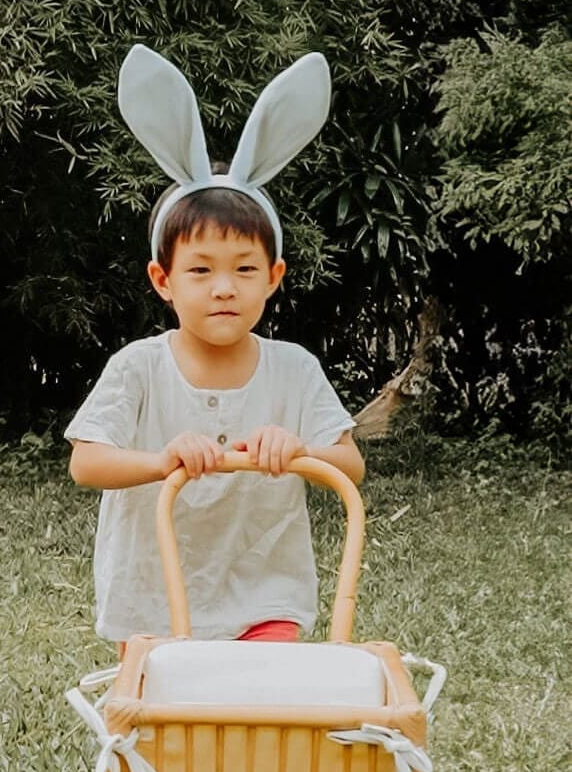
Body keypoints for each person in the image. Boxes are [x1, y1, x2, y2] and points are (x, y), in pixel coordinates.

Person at [67, 45, 364, 648]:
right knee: (164, 732)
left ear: (274, 277)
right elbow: (86, 462)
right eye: (200, 271)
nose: (223, 289)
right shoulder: (140, 367)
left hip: (264, 595)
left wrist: (299, 449)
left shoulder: (293, 369)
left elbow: (350, 464)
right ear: (163, 281)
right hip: (154, 595)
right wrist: (161, 461)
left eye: (244, 270)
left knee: (258, 721)